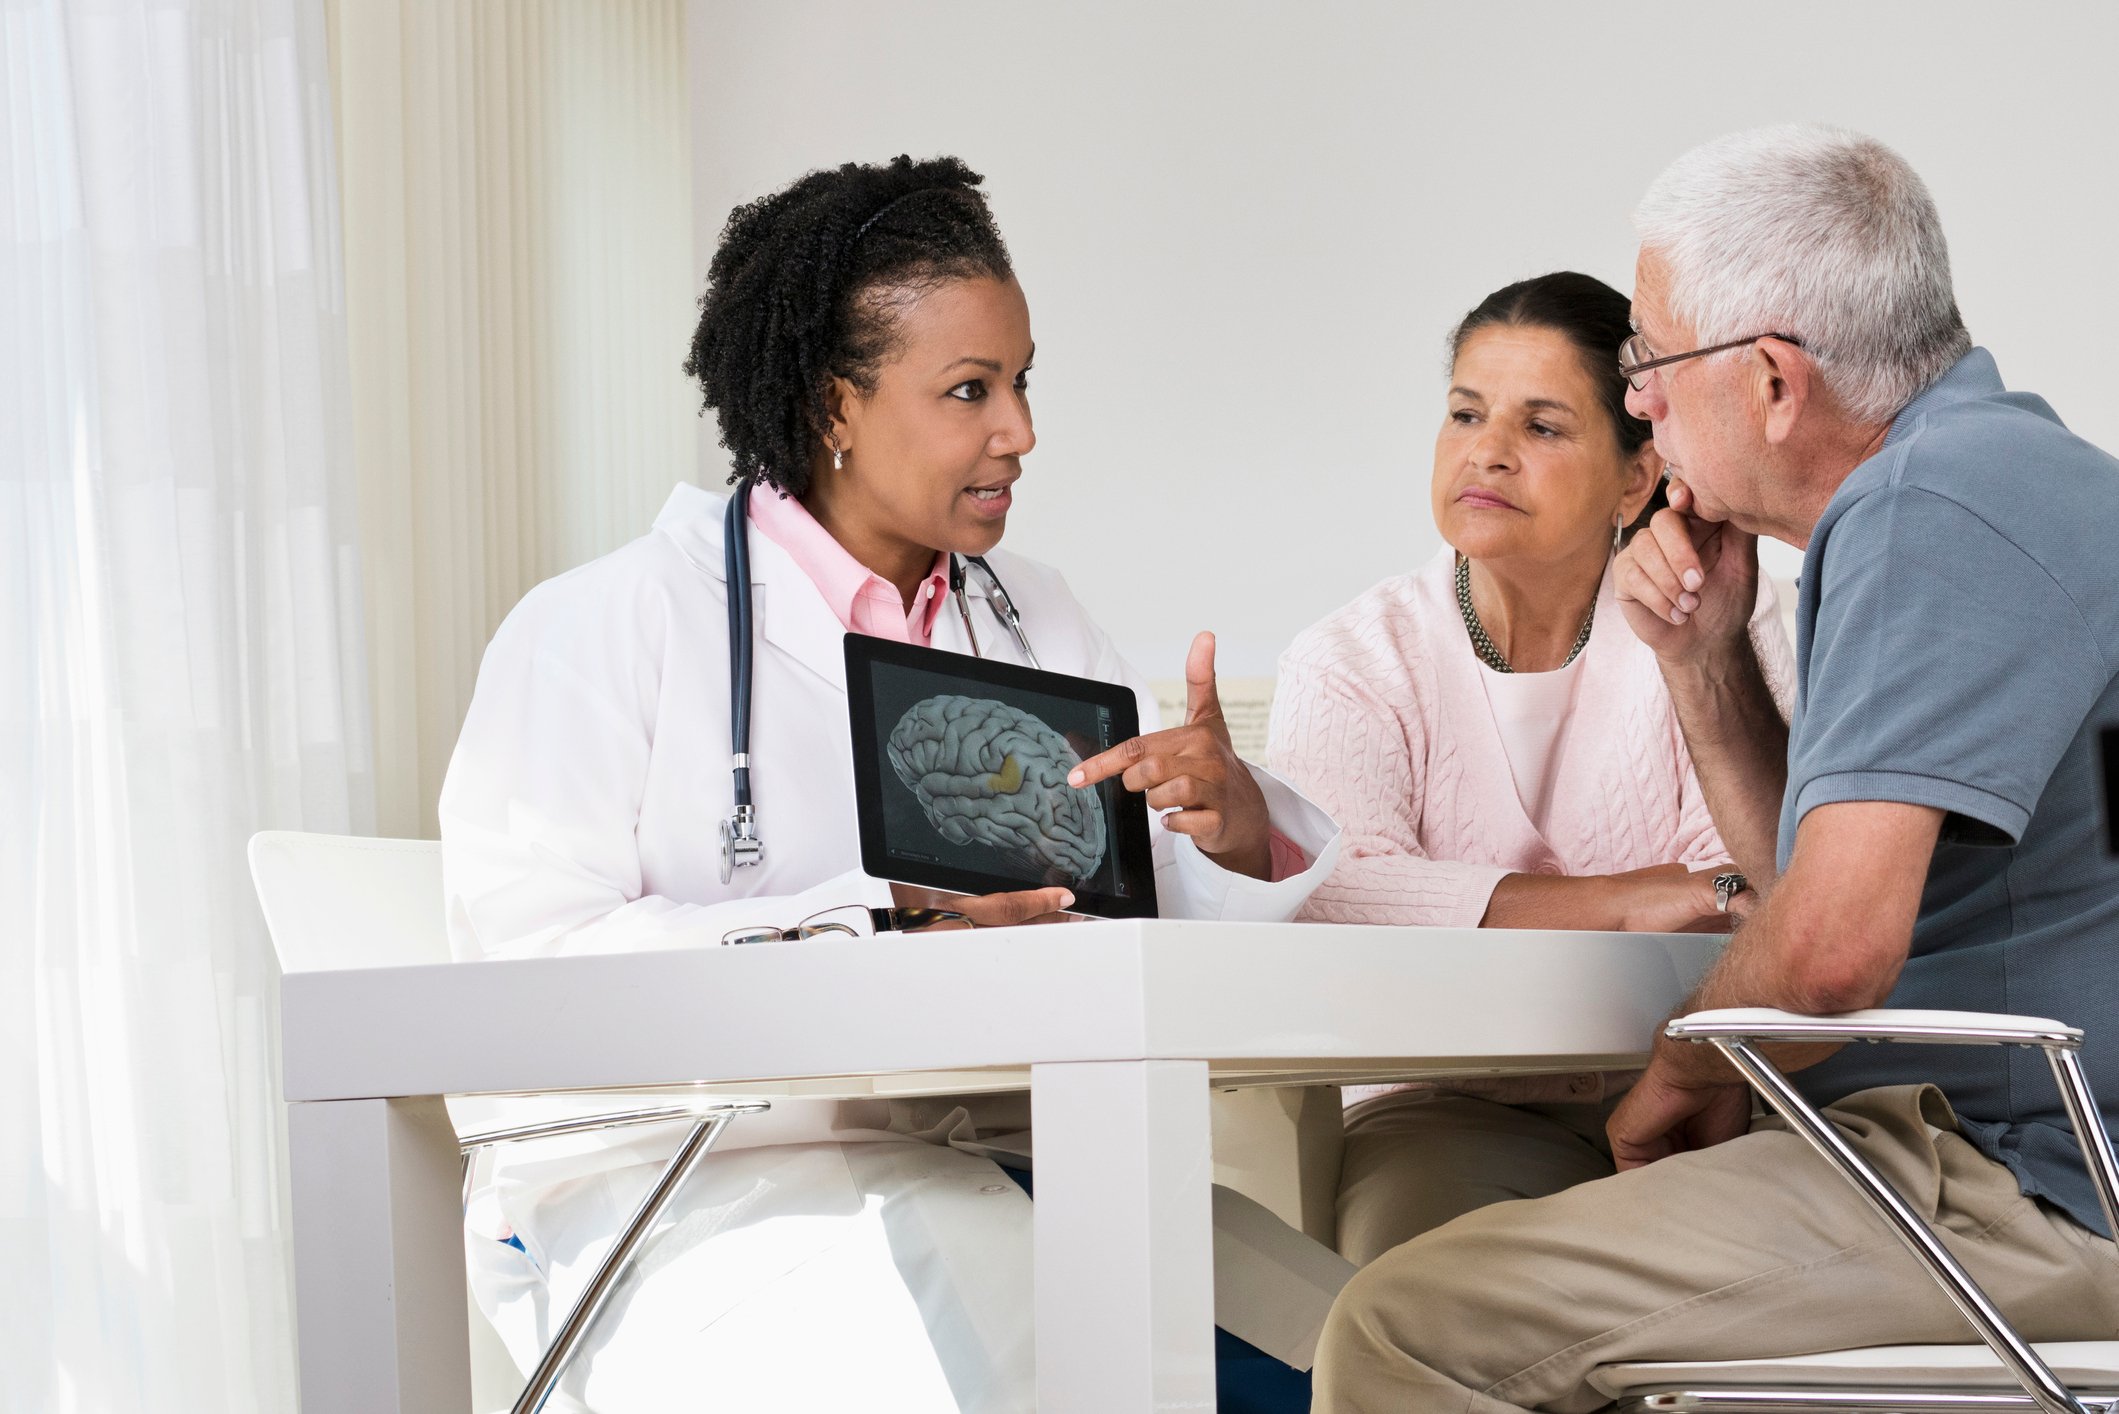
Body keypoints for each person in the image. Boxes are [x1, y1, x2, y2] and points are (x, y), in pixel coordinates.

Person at [439, 155, 1345, 1413]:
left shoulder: (1036, 616)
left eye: (1021, 382)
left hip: (1017, 1154)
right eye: (970, 389)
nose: (1019, 431)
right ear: (836, 404)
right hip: (701, 1190)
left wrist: (1231, 834)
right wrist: (880, 927)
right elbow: (529, 977)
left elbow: (1134, 926)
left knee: (1369, 1358)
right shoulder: (603, 625)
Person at [1314, 124, 2119, 1414]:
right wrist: (1702, 657)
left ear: (1773, 383)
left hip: (2019, 1177)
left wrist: (1677, 1071)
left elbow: (1829, 953)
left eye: (1649, 362)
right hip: (2002, 1155)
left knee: (1400, 1323)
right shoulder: (2003, 474)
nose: (1638, 402)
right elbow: (1810, 893)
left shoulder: (1926, 510)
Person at [1267, 271, 1792, 1265]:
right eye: (1465, 413)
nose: (1487, 451)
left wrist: (1461, 904)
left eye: (1542, 426)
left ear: (1634, 478)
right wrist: (1625, 901)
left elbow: (1750, 888)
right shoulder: (1349, 658)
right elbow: (1333, 892)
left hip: (1701, 1094)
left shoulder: (1730, 618)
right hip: (1441, 1107)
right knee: (1423, 1282)